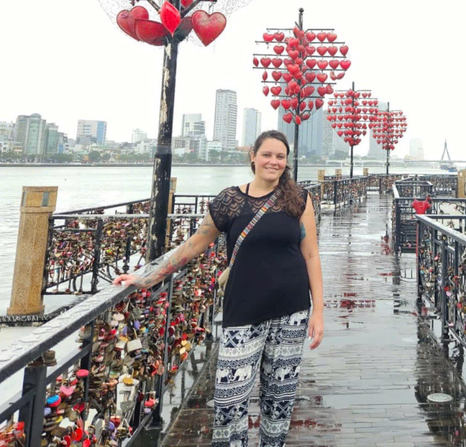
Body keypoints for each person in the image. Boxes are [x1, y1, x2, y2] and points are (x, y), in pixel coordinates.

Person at [114, 130, 324, 447]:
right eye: (267, 154)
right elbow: (194, 244)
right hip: (243, 310)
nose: (274, 161)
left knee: (279, 401)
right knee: (229, 401)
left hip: (291, 310)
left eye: (280, 156)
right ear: (253, 156)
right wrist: (146, 278)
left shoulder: (299, 200)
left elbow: (311, 255)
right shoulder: (229, 201)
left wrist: (318, 311)